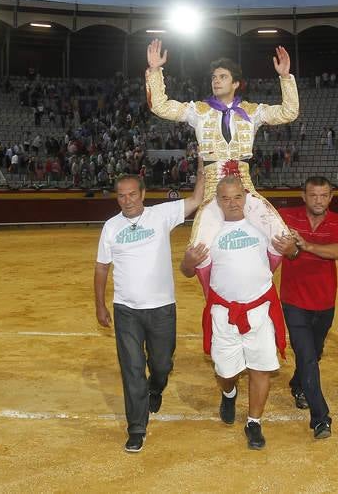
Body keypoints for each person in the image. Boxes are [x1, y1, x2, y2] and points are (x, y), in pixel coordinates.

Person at [145, 39, 298, 288]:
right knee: (198, 250)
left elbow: (289, 113)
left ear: (236, 83)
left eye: (223, 76)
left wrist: (285, 78)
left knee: (281, 237)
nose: (216, 80)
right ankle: (216, 296)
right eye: (214, 77)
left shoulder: (252, 110)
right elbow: (160, 106)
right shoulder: (199, 110)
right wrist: (154, 71)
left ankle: (257, 283)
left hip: (244, 188)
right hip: (212, 191)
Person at [93, 162, 205, 453]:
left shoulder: (161, 215)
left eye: (132, 194)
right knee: (131, 368)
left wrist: (203, 164)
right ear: (117, 198)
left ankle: (157, 386)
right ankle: (136, 428)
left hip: (161, 308)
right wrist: (100, 306)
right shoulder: (111, 227)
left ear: (143, 194)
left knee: (162, 363)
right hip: (126, 309)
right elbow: (102, 268)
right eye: (121, 195)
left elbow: (196, 199)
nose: (127, 200)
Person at [180, 175, 291, 450]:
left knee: (261, 368)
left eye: (237, 197)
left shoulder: (262, 227)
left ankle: (254, 422)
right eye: (225, 198)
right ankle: (229, 392)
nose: (232, 203)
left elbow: (286, 254)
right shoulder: (208, 232)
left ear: (246, 197)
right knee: (225, 371)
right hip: (224, 314)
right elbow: (188, 272)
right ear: (217, 201)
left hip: (259, 309)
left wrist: (292, 250)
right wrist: (187, 262)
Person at [276, 176, 338, 440]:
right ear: (303, 196)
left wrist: (305, 245)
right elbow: (257, 211)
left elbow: (337, 251)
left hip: (325, 302)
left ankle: (297, 384)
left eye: (323, 195)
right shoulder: (286, 217)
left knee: (314, 354)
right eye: (313, 195)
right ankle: (320, 419)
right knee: (306, 356)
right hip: (294, 301)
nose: (318, 200)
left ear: (330, 197)